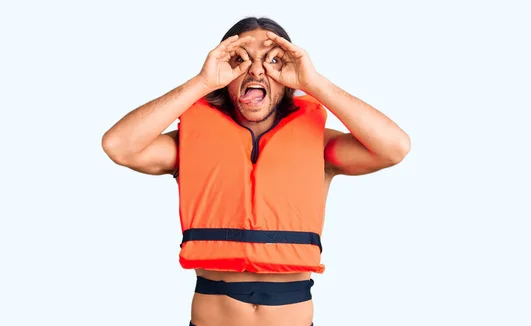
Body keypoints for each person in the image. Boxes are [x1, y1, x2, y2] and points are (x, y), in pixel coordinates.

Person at [102, 16, 411, 326]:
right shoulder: (189, 145)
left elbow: (395, 147)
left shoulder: (319, 146)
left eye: (274, 60)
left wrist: (314, 82)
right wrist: (202, 82)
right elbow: (119, 146)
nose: (257, 69)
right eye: (240, 58)